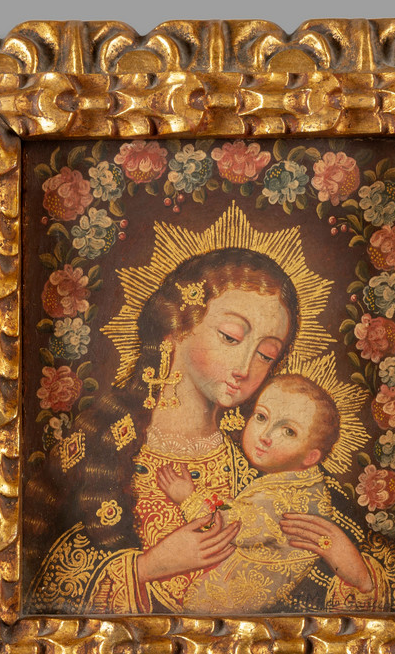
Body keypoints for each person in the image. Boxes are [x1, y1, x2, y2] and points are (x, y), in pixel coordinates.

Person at [24, 248, 300, 614]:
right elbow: (34, 582)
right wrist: (146, 567)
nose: (245, 367)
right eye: (231, 337)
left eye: (265, 354)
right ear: (176, 327)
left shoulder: (259, 464)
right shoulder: (95, 442)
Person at [156, 373, 374, 613]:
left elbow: (233, 526)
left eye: (288, 432)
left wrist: (189, 498)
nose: (265, 436)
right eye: (261, 417)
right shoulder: (295, 481)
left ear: (311, 457)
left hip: (230, 606)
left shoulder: (291, 497)